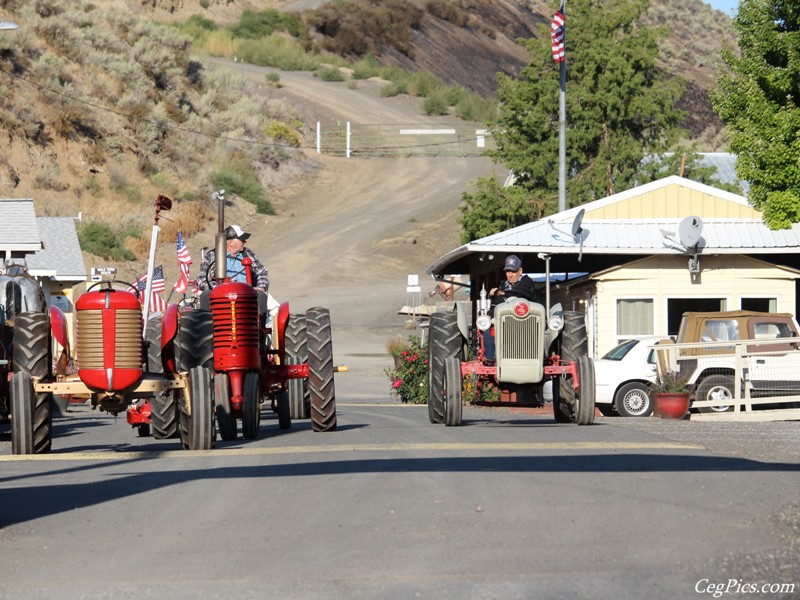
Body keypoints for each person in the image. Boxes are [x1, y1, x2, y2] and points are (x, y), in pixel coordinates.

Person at [196, 224, 271, 320]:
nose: (244, 241)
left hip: (246, 294)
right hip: (220, 295)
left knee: (261, 296)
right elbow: (201, 278)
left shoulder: (247, 253)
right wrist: (216, 288)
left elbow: (262, 271)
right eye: (241, 239)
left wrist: (261, 287)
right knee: (205, 295)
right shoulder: (211, 256)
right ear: (230, 242)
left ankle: (260, 329)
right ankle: (206, 328)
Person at [484, 254, 537, 363]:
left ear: (520, 271)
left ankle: (540, 355)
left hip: (526, 320)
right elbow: (497, 304)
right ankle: (490, 358)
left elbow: (523, 293)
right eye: (508, 271)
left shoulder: (527, 281)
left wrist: (502, 293)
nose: (510, 275)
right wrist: (489, 315)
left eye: (513, 271)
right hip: (505, 320)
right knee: (486, 325)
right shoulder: (503, 285)